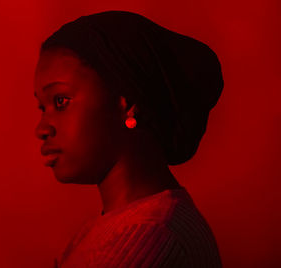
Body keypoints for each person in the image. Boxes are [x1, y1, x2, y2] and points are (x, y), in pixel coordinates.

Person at [33, 10, 223, 268]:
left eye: (61, 101)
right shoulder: (119, 226)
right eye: (42, 108)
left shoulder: (146, 240)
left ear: (128, 103)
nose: (42, 129)